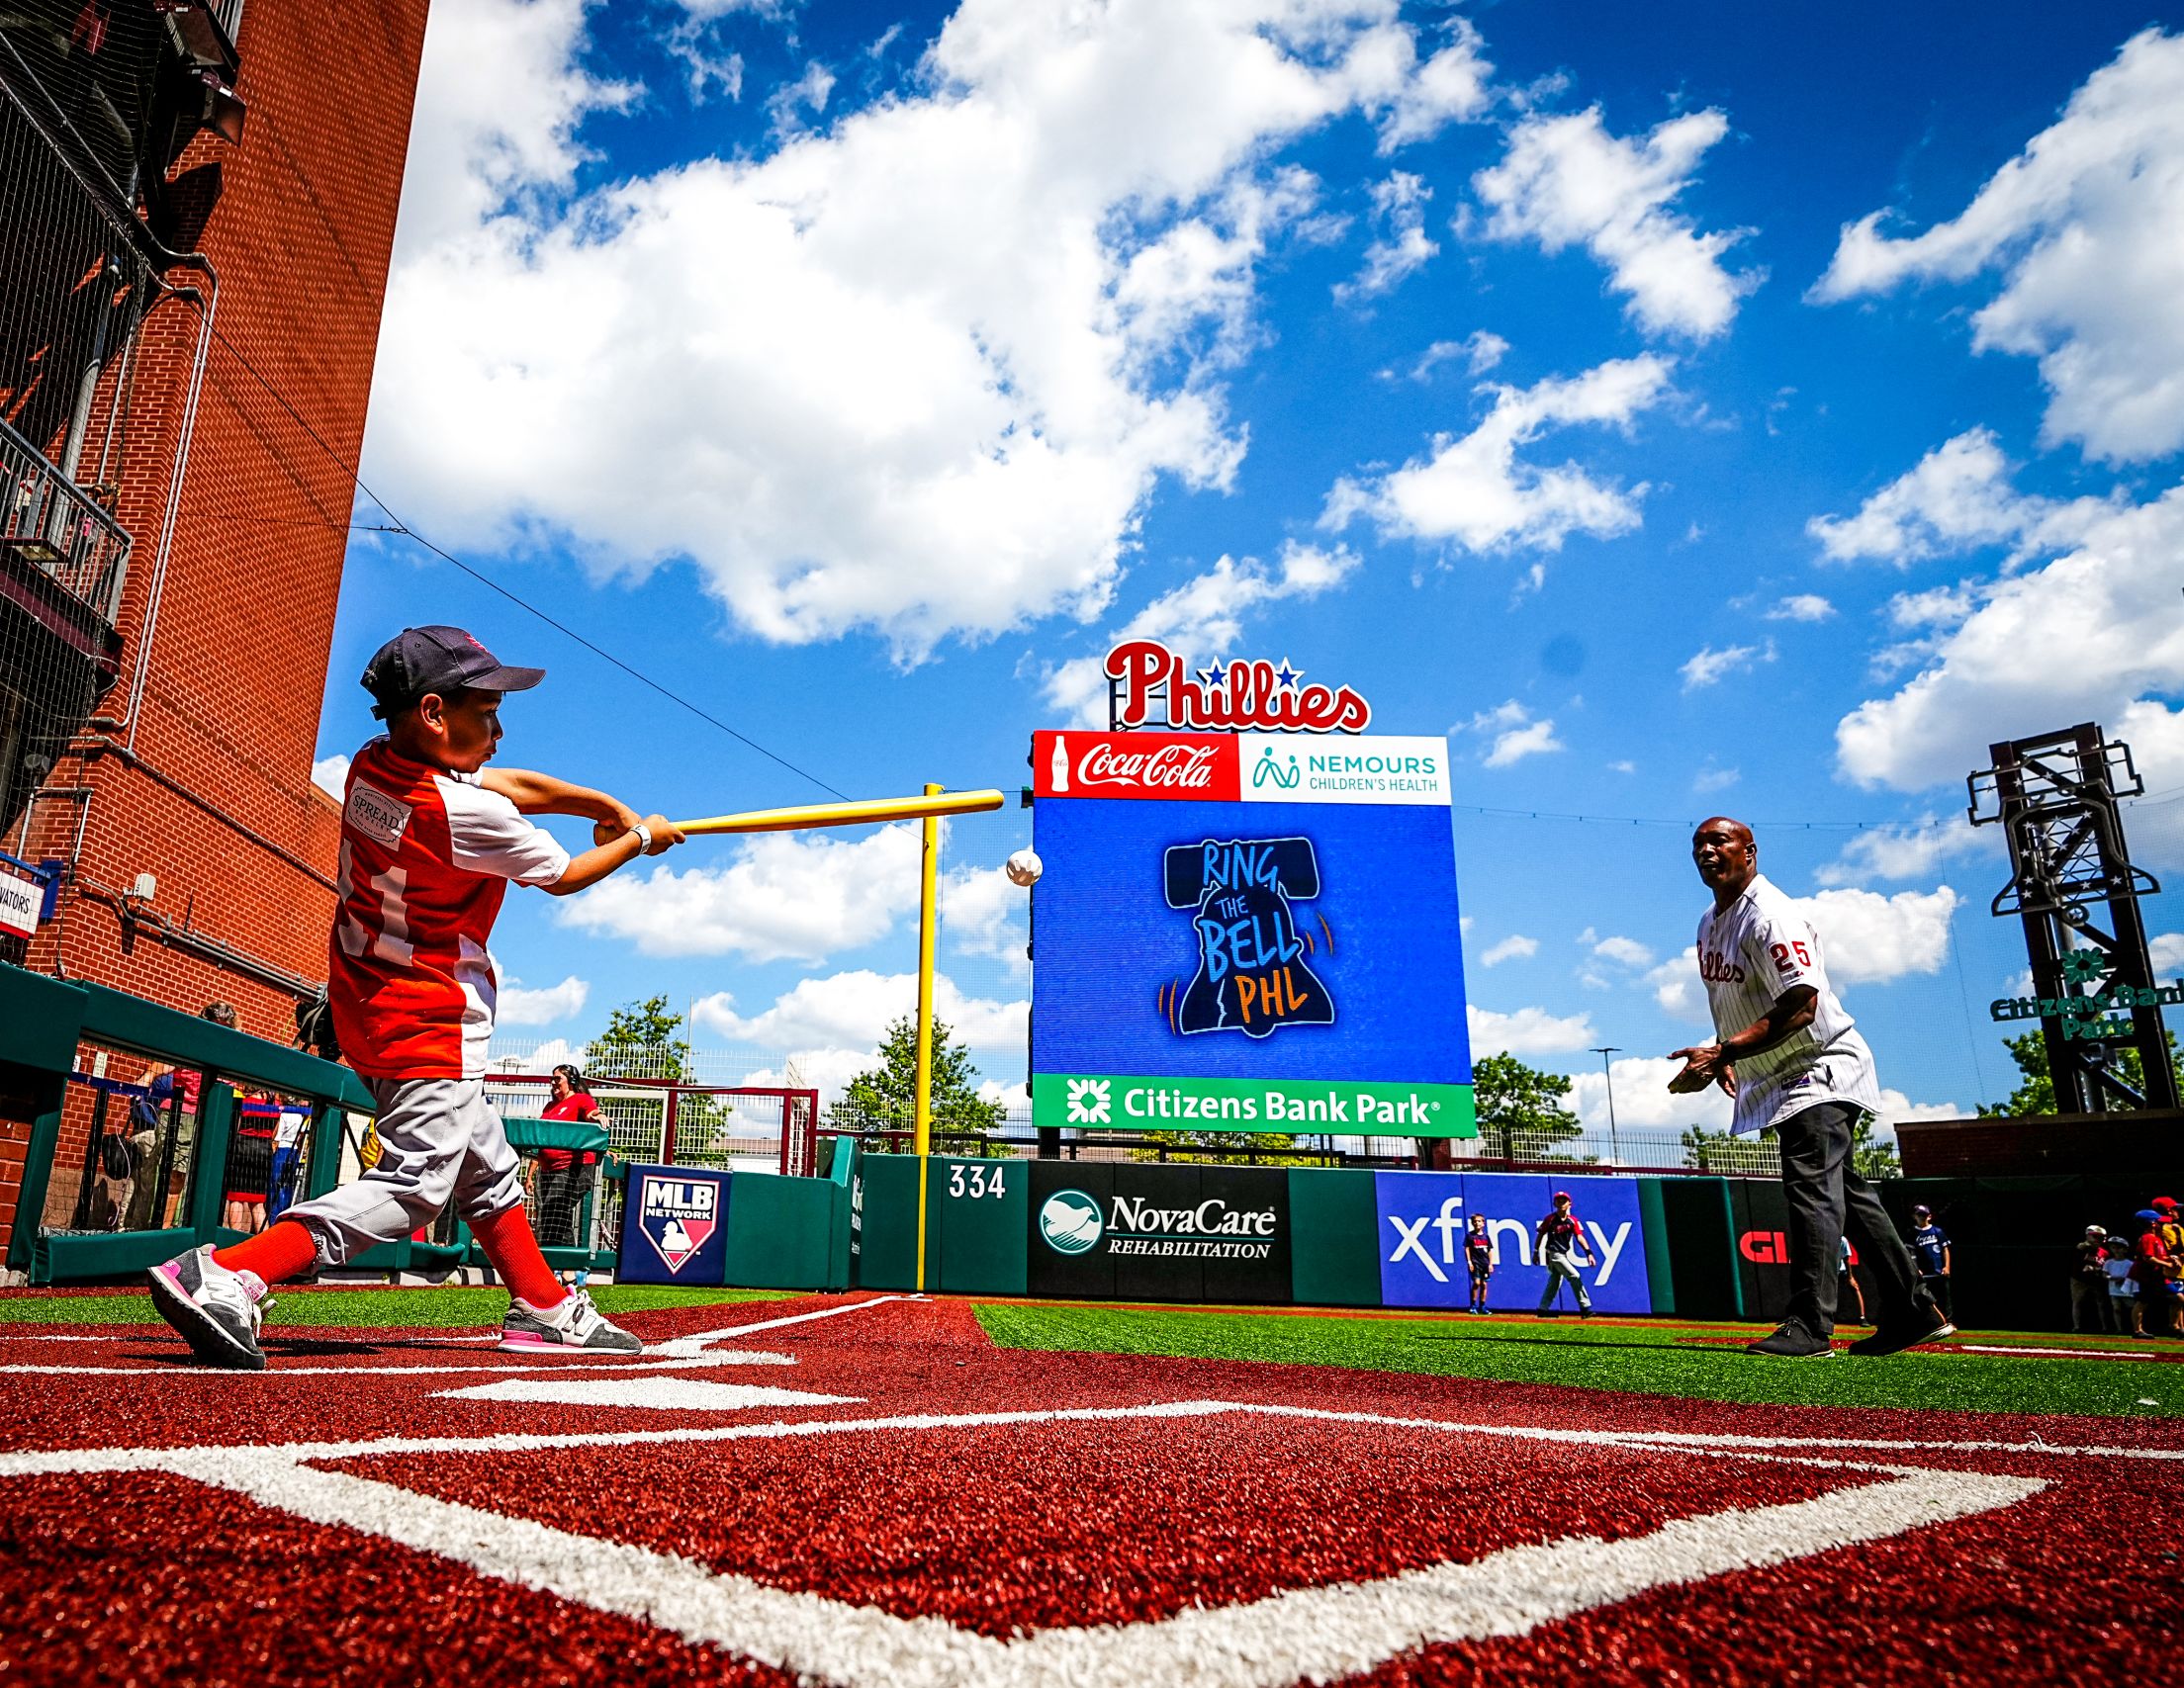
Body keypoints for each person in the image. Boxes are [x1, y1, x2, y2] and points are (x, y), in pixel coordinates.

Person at [144, 625, 685, 1370]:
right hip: (428, 1017)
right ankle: (233, 1271)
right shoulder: (462, 816)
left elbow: (508, 783)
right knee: (419, 1185)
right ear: (434, 713)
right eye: (486, 714)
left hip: (364, 1003)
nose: (498, 730)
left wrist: (600, 801)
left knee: (487, 1163)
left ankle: (545, 1305)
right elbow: (563, 874)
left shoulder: (375, 765)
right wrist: (640, 839)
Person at [1670, 817, 1953, 1359]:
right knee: (1848, 1193)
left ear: (1749, 851)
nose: (1706, 850)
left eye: (1718, 841)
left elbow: (1802, 1006)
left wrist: (1726, 1051)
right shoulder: (1710, 921)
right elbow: (1744, 999)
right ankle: (1914, 1312)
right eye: (1698, 844)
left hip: (1819, 1063)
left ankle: (1811, 1325)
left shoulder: (1771, 914)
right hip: (1779, 1070)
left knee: (1811, 1190)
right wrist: (1728, 1050)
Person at [532, 1064, 603, 1252]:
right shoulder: (550, 1106)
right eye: (552, 1079)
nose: (553, 1083)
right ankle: (559, 1269)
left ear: (571, 1081)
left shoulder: (581, 1099)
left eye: (558, 1079)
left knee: (554, 1211)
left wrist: (598, 1116)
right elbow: (541, 1140)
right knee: (550, 1216)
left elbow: (591, 1113)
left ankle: (568, 1268)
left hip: (573, 1168)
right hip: (548, 1170)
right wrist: (531, 1173)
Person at [1534, 1191, 1595, 1317]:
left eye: (1564, 1201)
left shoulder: (1572, 1220)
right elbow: (1540, 1234)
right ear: (1554, 1203)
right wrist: (1535, 1251)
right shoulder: (1550, 1219)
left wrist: (1588, 1253)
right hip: (1554, 1254)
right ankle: (1585, 1308)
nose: (1561, 1203)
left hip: (1563, 1253)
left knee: (1555, 1282)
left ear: (1569, 1204)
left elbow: (1579, 1237)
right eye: (1558, 1201)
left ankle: (1542, 1309)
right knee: (1574, 1276)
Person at [2133, 1209, 2178, 1339]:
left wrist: (2171, 1259)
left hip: (2157, 1276)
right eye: (2159, 1222)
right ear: (2152, 1223)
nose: (2162, 1225)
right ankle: (2137, 1330)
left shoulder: (2156, 1238)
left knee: (2178, 1298)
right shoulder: (2148, 1238)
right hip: (2148, 1276)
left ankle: (2174, 1326)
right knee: (2142, 1302)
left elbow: (2160, 1255)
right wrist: (2168, 1264)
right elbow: (2149, 1258)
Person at [1908, 1203, 1953, 1320]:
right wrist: (1916, 1268)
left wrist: (1946, 1267)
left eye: (1924, 1215)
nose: (1922, 1217)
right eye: (1919, 1215)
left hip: (1939, 1272)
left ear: (1929, 1216)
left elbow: (1945, 1249)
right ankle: (1931, 1322)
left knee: (1944, 1299)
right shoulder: (1912, 1233)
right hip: (1924, 1274)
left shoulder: (1937, 1231)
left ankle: (1948, 1321)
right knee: (1925, 1299)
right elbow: (1910, 1253)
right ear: (1914, 1216)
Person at [2072, 1225, 2117, 1334]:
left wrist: (2095, 1269)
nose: (2099, 1240)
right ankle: (2077, 1327)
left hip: (2096, 1280)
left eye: (2101, 1237)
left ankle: (2105, 1327)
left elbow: (2105, 1266)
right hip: (2079, 1280)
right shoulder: (2081, 1248)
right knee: (2078, 1302)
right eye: (2095, 1237)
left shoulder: (2104, 1252)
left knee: (2101, 1303)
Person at [2108, 1237, 2142, 1338]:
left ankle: (2134, 1327)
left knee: (2132, 1307)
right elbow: (2104, 1274)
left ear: (2125, 1250)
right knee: (2116, 1308)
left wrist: (2123, 1279)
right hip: (2114, 1290)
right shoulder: (2109, 1262)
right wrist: (2111, 1278)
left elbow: (2133, 1275)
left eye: (2119, 1248)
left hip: (2127, 1291)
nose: (2116, 1250)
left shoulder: (2129, 1263)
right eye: (2114, 1247)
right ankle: (2119, 1329)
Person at [1464, 1213, 1494, 1314]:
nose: (1477, 1223)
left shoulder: (1486, 1237)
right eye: (1475, 1221)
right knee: (1476, 1283)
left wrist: (1490, 1264)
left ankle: (1482, 1306)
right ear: (1472, 1223)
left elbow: (1489, 1250)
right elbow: (1467, 1248)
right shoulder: (1470, 1236)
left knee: (1484, 1284)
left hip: (1485, 1263)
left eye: (1479, 1221)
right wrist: (1469, 1262)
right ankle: (1473, 1305)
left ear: (1483, 1223)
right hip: (1475, 1263)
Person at [1838, 1235, 1867, 1325]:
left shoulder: (1842, 1240)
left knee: (1855, 1288)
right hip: (1829, 1271)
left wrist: (1850, 1277)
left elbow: (1846, 1259)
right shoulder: (1828, 1237)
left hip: (1841, 1270)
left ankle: (1862, 1318)